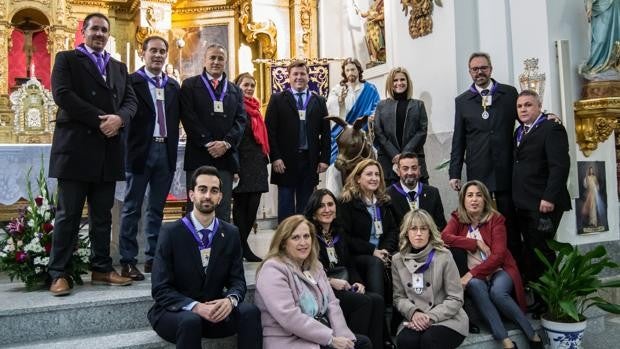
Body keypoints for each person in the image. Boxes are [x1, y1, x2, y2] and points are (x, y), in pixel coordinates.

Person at [48, 12, 137, 296]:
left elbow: (131, 100)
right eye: (94, 29)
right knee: (68, 215)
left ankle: (101, 268)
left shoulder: (119, 67)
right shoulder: (67, 59)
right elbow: (63, 95)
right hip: (76, 148)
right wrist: (102, 120)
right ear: (83, 31)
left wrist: (120, 119)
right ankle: (58, 272)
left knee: (102, 216)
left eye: (104, 30)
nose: (99, 34)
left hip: (108, 151)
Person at [148, 166, 262, 349]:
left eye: (214, 191)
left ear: (220, 197)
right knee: (190, 322)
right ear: (192, 194)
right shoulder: (170, 232)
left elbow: (238, 282)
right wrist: (195, 307)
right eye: (202, 189)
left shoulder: (231, 233)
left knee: (250, 312)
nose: (208, 196)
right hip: (176, 312)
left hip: (213, 311)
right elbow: (160, 289)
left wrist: (230, 300)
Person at [441, 180, 543, 349]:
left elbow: (498, 256)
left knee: (497, 292)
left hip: (499, 269)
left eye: (479, 195)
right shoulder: (457, 218)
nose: (474, 199)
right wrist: (475, 243)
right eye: (470, 195)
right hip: (476, 275)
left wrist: (471, 274)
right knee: (474, 285)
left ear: (485, 199)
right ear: (463, 200)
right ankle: (506, 342)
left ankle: (533, 336)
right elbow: (444, 237)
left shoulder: (496, 219)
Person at [255, 215, 372, 349]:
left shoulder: (314, 265)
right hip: (289, 341)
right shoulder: (273, 269)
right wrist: (330, 339)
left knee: (361, 343)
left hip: (317, 336)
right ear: (283, 242)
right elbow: (290, 318)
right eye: (295, 237)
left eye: (306, 236)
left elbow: (332, 304)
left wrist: (344, 336)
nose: (303, 243)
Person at [448, 52, 520, 261]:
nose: (479, 72)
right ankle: (486, 264)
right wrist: (454, 172)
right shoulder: (462, 101)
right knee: (482, 222)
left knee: (509, 221)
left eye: (483, 68)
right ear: (469, 72)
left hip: (506, 168)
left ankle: (514, 268)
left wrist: (547, 117)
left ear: (491, 68)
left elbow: (525, 119)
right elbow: (458, 139)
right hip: (479, 169)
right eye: (475, 69)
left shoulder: (509, 93)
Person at [119, 36, 181, 280]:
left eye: (162, 51)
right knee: (132, 207)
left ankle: (153, 258)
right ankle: (127, 260)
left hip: (164, 151)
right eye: (153, 51)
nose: (158, 55)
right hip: (139, 152)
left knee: (157, 209)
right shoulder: (132, 81)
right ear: (142, 53)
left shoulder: (173, 86)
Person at [512, 90, 571, 315]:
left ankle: (551, 303)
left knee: (543, 252)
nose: (524, 109)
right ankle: (538, 299)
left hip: (543, 203)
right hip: (525, 203)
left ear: (539, 106)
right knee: (531, 252)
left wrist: (549, 197)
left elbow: (559, 166)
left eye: (528, 105)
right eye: (520, 106)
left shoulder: (551, 128)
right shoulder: (519, 131)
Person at [304, 189, 385, 349]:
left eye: (330, 204)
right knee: (363, 302)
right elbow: (305, 270)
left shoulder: (338, 232)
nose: (327, 209)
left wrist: (357, 282)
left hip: (344, 285)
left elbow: (349, 264)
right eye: (321, 206)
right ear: (313, 212)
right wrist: (330, 281)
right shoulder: (308, 236)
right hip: (321, 289)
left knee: (377, 299)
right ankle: (352, 345)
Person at [180, 43, 246, 222]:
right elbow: (188, 117)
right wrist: (208, 143)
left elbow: (241, 121)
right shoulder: (190, 86)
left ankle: (220, 249)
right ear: (205, 60)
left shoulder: (235, 90)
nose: (216, 62)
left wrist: (225, 144)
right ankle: (194, 248)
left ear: (225, 62)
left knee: (222, 208)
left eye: (220, 58)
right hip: (199, 155)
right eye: (212, 58)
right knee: (197, 205)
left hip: (225, 158)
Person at [265, 60, 331, 222]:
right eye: (295, 74)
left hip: (310, 160)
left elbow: (326, 133)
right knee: (286, 205)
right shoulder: (277, 99)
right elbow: (270, 132)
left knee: (307, 206)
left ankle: (304, 239)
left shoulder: (319, 101)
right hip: (285, 162)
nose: (299, 77)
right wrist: (275, 157)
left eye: (302, 74)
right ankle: (285, 243)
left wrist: (324, 159)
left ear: (308, 77)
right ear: (289, 77)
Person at [391, 209, 468, 349]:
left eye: (423, 229)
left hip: (447, 318)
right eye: (413, 228)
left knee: (430, 340)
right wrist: (413, 312)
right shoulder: (397, 260)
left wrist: (429, 317)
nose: (419, 233)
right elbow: (398, 297)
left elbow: (456, 298)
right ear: (406, 232)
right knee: (405, 341)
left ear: (430, 232)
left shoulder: (444, 256)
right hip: (414, 317)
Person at [338, 158, 398, 298]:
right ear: (358, 178)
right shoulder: (347, 202)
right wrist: (372, 251)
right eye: (369, 174)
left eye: (377, 174)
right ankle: (378, 308)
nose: (374, 178)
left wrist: (385, 250)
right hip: (357, 256)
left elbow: (392, 230)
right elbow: (345, 237)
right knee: (375, 262)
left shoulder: (384, 201)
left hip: (382, 252)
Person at [325, 58, 380, 195]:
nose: (350, 72)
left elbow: (376, 107)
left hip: (362, 134)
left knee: (376, 158)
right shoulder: (338, 89)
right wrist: (340, 101)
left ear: (359, 70)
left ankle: (373, 196)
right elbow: (332, 110)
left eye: (353, 69)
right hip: (343, 136)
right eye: (347, 70)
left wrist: (372, 116)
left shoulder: (370, 89)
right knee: (334, 169)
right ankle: (335, 199)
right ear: (344, 72)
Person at [232, 73, 269, 262]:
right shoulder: (234, 106)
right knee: (240, 207)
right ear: (237, 86)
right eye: (245, 85)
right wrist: (235, 166)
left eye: (252, 85)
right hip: (241, 161)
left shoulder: (256, 108)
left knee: (253, 207)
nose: (249, 88)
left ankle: (240, 245)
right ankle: (242, 248)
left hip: (257, 162)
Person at [374, 67, 428, 185]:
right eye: (395, 80)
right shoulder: (381, 106)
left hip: (413, 160)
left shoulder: (418, 105)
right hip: (388, 161)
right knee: (389, 200)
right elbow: (378, 132)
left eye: (402, 79)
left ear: (408, 82)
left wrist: (404, 155)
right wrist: (394, 154)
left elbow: (422, 131)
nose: (399, 83)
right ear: (390, 83)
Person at [387, 152, 446, 230]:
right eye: (405, 169)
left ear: (419, 170)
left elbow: (441, 225)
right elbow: (390, 230)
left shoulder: (433, 193)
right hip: (400, 241)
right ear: (398, 171)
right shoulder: (389, 195)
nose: (410, 172)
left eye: (414, 168)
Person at [580, 0, 620, 79]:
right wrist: (589, 5)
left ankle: (612, 65)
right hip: (601, 8)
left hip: (615, 7)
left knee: (616, 40)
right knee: (600, 40)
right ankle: (595, 66)